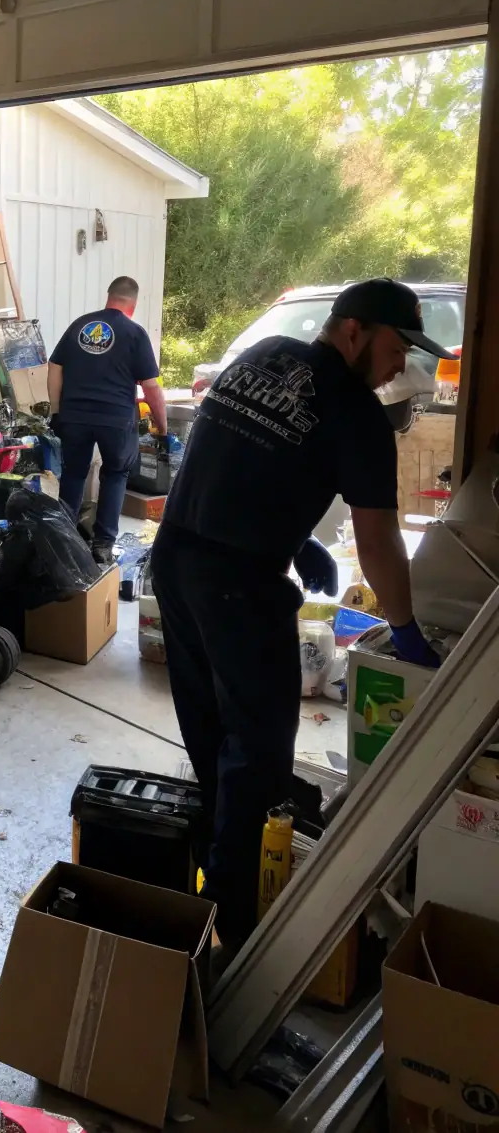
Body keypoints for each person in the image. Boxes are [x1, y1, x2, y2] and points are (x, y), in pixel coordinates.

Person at [151, 278, 452, 951]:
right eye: (397, 346)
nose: (401, 365)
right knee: (257, 749)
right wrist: (404, 632)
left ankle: (214, 875)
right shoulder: (358, 415)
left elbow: (233, 458)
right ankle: (236, 931)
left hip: (175, 561)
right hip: (237, 586)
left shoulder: (263, 357)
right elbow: (378, 539)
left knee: (210, 730)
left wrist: (299, 537)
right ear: (353, 330)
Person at [47, 276, 168, 564]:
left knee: (74, 473)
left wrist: (56, 410)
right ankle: (102, 546)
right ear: (133, 304)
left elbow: (54, 367)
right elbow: (151, 387)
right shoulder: (134, 333)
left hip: (74, 415)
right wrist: (163, 427)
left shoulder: (80, 326)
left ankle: (65, 541)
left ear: (109, 296)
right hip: (115, 420)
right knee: (115, 475)